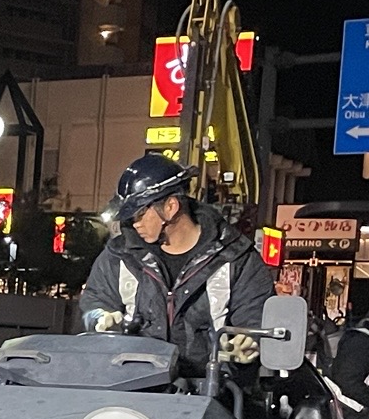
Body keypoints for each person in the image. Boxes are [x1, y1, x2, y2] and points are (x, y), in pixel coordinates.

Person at [80, 153, 271, 385]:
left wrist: (248, 344)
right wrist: (99, 318)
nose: (134, 224)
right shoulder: (118, 256)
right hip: (132, 389)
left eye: (140, 213)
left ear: (171, 207)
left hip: (214, 392)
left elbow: (256, 322)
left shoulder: (237, 258)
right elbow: (94, 302)